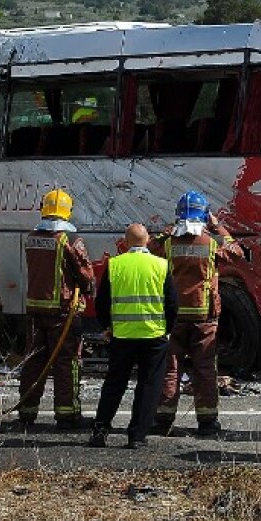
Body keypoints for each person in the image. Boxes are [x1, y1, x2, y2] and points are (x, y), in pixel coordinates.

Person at [151, 191, 244, 436]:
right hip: (205, 316)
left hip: (173, 317)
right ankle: (207, 421)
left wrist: (169, 229)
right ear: (204, 216)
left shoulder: (169, 244)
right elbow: (237, 252)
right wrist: (219, 227)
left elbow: (150, 246)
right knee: (204, 369)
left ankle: (163, 419)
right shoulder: (212, 243)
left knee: (171, 369)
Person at [89, 224, 178, 449]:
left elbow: (102, 302)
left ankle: (100, 429)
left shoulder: (115, 265)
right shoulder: (161, 265)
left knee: (114, 383)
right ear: (147, 240)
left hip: (122, 334)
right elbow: (172, 303)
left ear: (125, 242)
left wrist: (107, 326)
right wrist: (167, 329)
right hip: (154, 335)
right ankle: (137, 436)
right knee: (149, 385)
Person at [18, 189, 95, 429]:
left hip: (34, 310)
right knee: (66, 363)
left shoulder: (31, 237)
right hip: (64, 313)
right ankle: (67, 415)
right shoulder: (70, 240)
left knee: (33, 362)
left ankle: (27, 413)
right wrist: (87, 286)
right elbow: (86, 276)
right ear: (67, 211)